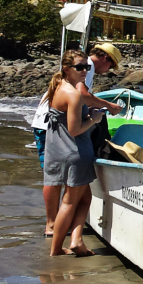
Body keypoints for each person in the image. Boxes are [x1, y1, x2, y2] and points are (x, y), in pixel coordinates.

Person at [31, 43, 122, 237]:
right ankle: (53, 225)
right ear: (105, 59)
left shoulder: (79, 68)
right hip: (50, 126)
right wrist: (107, 107)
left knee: (55, 176)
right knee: (55, 179)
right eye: (111, 66)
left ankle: (57, 225)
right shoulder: (85, 66)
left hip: (50, 122)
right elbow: (82, 95)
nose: (108, 72)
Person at [44, 49, 104, 256]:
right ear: (67, 69)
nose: (84, 71)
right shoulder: (73, 94)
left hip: (58, 150)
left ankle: (76, 240)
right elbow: (75, 129)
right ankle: (56, 249)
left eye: (87, 67)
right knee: (69, 202)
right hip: (76, 151)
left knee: (85, 198)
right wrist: (94, 119)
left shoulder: (58, 86)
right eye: (79, 67)